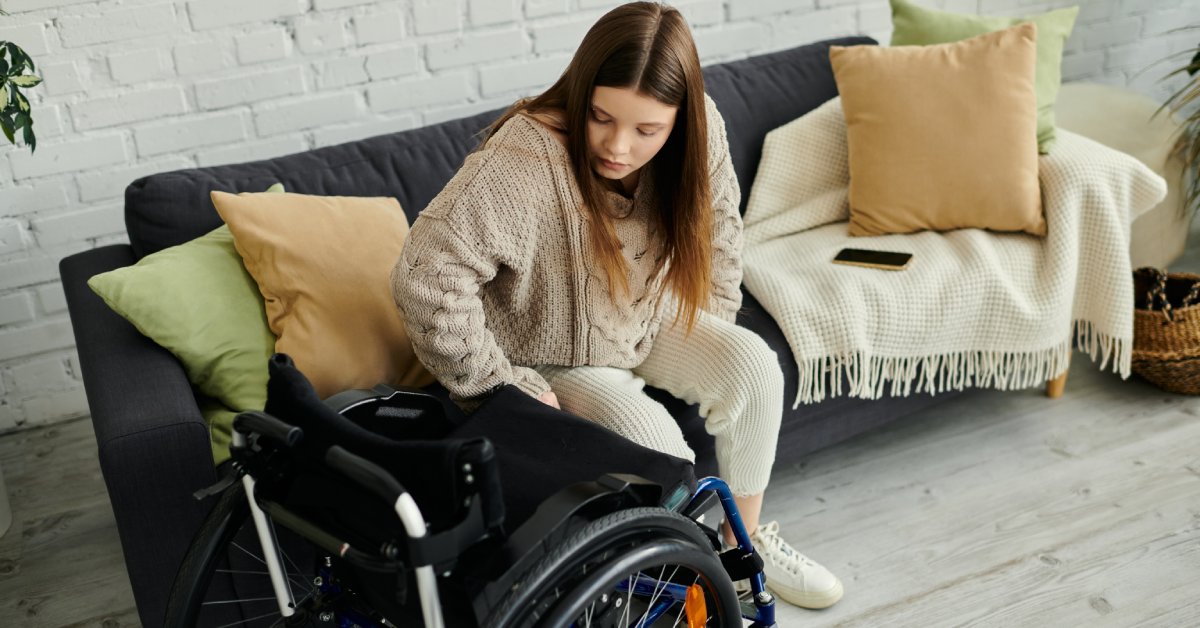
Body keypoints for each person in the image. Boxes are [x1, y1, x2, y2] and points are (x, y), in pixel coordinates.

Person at [391, 1, 843, 610]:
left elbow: (721, 232)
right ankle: (693, 590)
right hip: (549, 355)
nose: (618, 147)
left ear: (679, 121)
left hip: (641, 320)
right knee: (659, 446)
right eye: (601, 117)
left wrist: (714, 328)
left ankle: (743, 550)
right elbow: (425, 276)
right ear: (581, 93)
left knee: (755, 368)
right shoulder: (526, 160)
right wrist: (495, 387)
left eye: (646, 130)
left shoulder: (700, 127)